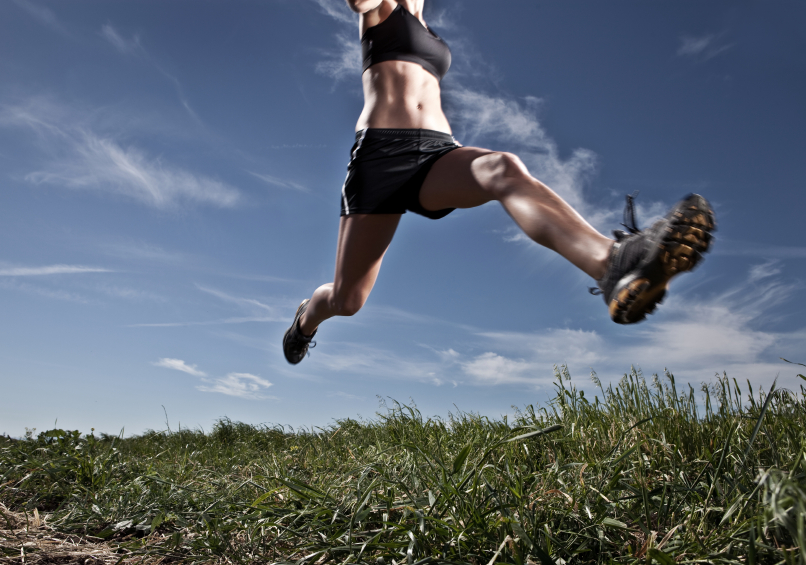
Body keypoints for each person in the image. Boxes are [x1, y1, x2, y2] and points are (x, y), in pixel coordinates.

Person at [283, 0, 715, 364]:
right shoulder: (379, 7)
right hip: (380, 157)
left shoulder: (427, 28)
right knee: (348, 300)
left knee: (502, 169)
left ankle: (612, 265)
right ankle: (306, 319)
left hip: (437, 151)